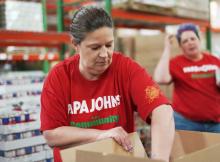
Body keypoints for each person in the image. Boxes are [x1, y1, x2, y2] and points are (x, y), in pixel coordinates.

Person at [40, 6, 174, 162]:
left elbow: (162, 110)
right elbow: (51, 134)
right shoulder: (59, 77)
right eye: (95, 47)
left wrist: (160, 159)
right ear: (75, 44)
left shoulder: (126, 69)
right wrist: (100, 135)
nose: (104, 54)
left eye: (109, 45)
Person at [154, 23, 220, 133]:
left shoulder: (214, 61)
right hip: (186, 123)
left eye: (192, 38)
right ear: (181, 46)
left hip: (216, 123)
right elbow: (161, 78)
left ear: (199, 40)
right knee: (191, 151)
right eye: (185, 41)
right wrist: (167, 48)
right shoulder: (176, 63)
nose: (190, 42)